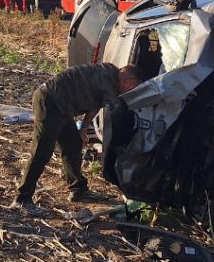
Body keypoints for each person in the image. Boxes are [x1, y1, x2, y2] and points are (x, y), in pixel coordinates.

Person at [11, 63, 147, 214]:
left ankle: (78, 189)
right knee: (42, 151)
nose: (131, 92)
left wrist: (83, 129)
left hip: (62, 106)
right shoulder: (110, 85)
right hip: (50, 101)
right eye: (133, 88)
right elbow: (113, 116)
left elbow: (95, 105)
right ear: (127, 82)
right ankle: (22, 198)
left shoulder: (110, 73)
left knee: (73, 144)